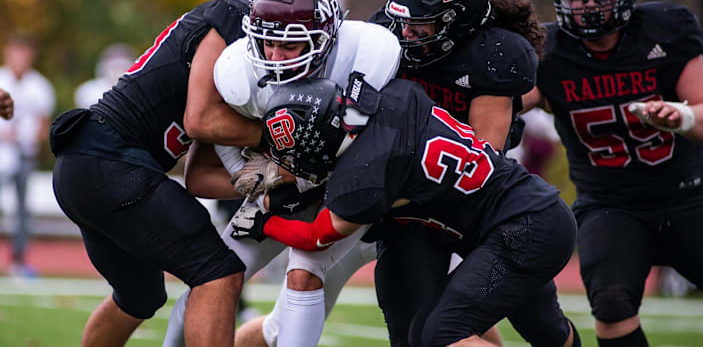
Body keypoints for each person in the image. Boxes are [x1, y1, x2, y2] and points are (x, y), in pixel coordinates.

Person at [233, 76, 580, 347]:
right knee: (547, 331)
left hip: (522, 230)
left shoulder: (364, 178)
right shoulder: (394, 96)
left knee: (441, 334)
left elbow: (315, 237)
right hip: (534, 210)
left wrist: (265, 222)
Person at [161, 0, 401, 347]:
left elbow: (371, 140)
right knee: (213, 274)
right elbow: (220, 132)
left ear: (326, 37)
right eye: (266, 44)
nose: (275, 57)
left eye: (289, 45)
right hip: (289, 189)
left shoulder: (365, 53)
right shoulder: (240, 70)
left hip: (354, 191)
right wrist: (250, 176)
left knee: (306, 273)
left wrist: (304, 174)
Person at [522, 0, 703, 346]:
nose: (590, 6)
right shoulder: (548, 53)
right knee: (611, 303)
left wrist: (681, 115)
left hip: (688, 195)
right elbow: (500, 106)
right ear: (562, 0)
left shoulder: (664, 30)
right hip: (610, 204)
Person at [50, 0, 263, 347]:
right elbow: (199, 120)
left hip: (84, 169)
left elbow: (199, 178)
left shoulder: (233, 80)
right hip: (110, 161)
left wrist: (273, 181)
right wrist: (272, 133)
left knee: (140, 296)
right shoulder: (231, 18)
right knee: (218, 273)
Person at [367, 0, 551, 345]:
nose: (407, 34)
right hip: (412, 210)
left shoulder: (494, 55)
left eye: (422, 25)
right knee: (415, 329)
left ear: (457, 22)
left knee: (542, 326)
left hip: (480, 206)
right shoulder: (386, 36)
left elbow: (477, 163)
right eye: (404, 21)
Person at [0, 34, 55, 278]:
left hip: (23, 154)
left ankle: (18, 260)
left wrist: (28, 139)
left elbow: (44, 126)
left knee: (22, 209)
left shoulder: (40, 86)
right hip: (1, 152)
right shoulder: (2, 78)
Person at [74, 43, 137, 108]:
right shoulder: (88, 90)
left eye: (122, 67)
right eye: (115, 68)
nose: (118, 72)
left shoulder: (136, 91)